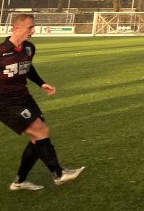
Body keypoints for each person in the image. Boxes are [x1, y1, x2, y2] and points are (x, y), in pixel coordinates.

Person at [2, 14, 84, 191]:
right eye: (30, 27)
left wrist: (41, 83)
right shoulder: (1, 51)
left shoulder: (29, 48)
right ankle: (59, 174)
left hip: (24, 98)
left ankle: (19, 181)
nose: (33, 31)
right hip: (5, 103)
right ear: (16, 29)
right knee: (42, 132)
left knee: (37, 138)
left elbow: (28, 68)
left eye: (34, 27)